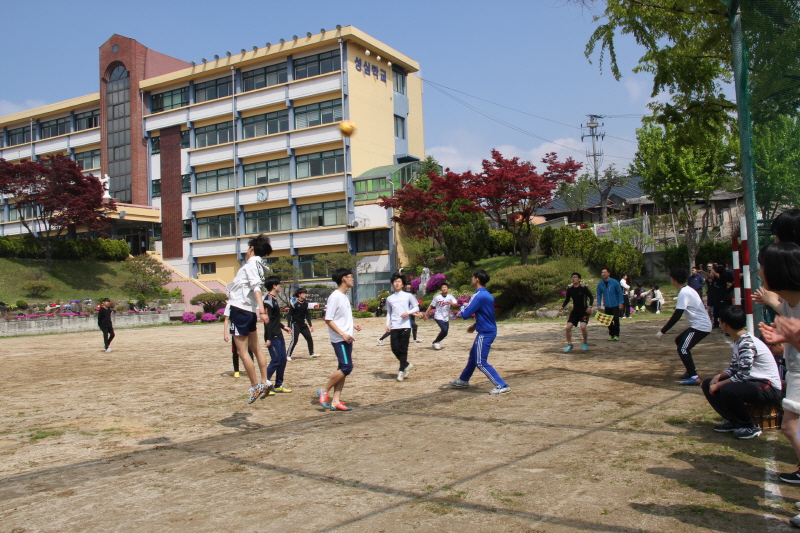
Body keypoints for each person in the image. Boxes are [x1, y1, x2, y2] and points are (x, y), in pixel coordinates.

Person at [701, 305, 782, 440]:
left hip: (769, 387)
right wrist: (718, 377)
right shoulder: (738, 341)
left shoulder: (747, 342)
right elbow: (734, 367)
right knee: (707, 383)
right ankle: (734, 421)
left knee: (727, 388)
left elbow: (743, 373)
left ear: (724, 324)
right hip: (754, 383)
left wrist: (720, 384)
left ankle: (749, 426)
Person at [756, 242, 800, 485]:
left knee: (792, 429)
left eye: (762, 266)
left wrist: (790, 337)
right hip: (795, 372)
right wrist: (785, 337)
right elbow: (783, 307)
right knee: (792, 429)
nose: (759, 272)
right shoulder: (790, 303)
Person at [226, 234, 273, 404]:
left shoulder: (250, 266)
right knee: (255, 347)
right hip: (248, 311)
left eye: (248, 248)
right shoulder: (260, 266)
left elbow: (256, 289)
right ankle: (264, 380)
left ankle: (255, 385)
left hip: (240, 310)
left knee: (242, 351)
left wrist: (262, 311)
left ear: (251, 248)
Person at [449, 269, 510, 395]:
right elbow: (487, 315)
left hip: (485, 333)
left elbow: (465, 314)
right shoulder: (487, 295)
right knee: (473, 357)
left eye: (473, 277)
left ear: (477, 279)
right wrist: (475, 325)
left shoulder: (478, 295)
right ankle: (463, 380)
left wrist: (462, 305)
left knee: (480, 362)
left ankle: (501, 385)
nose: (472, 279)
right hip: (488, 330)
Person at [654, 268, 713, 385]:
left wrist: (662, 331)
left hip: (701, 326)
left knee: (683, 348)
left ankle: (694, 376)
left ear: (673, 279)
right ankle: (691, 370)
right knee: (679, 341)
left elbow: (677, 315)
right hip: (699, 325)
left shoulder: (684, 293)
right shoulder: (687, 290)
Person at [318, 268, 362, 411]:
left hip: (348, 338)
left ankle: (335, 401)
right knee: (346, 367)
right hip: (340, 339)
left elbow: (341, 316)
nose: (352, 279)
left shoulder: (344, 296)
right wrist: (343, 334)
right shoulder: (335, 296)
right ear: (344, 278)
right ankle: (324, 391)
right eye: (350, 277)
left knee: (342, 369)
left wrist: (352, 325)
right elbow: (328, 319)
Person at [385, 273, 420, 381]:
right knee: (394, 348)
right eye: (395, 281)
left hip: (405, 325)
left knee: (403, 349)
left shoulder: (408, 295)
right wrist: (387, 324)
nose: (396, 283)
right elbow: (389, 312)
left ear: (403, 284)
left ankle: (401, 371)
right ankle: (406, 364)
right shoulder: (389, 298)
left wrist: (407, 312)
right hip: (395, 326)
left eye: (399, 281)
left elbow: (416, 307)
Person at [264, 276, 292, 393]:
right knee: (275, 360)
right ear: (274, 286)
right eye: (279, 284)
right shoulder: (267, 301)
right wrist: (268, 338)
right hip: (272, 336)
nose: (280, 286)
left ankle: (278, 385)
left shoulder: (274, 299)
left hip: (278, 334)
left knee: (282, 360)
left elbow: (274, 319)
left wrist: (283, 327)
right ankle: (264, 385)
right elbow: (267, 321)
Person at [559, 273, 594, 352]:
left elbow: (591, 297)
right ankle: (569, 344)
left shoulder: (583, 288)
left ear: (579, 279)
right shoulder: (570, 289)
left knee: (583, 327)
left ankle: (585, 343)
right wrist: (563, 306)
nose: (573, 279)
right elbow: (567, 299)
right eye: (572, 277)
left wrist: (590, 307)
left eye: (575, 277)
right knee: (568, 327)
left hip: (584, 312)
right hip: (575, 312)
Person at [222, 303, 254, 378]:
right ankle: (236, 371)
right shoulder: (229, 305)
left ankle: (250, 369)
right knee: (235, 351)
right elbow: (226, 319)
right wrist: (225, 333)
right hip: (235, 330)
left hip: (246, 329)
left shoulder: (245, 302)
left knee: (249, 350)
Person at [286, 288, 319, 360]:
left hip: (303, 325)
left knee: (309, 338)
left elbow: (307, 315)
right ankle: (288, 355)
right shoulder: (294, 304)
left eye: (305, 293)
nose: (305, 295)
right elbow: (289, 315)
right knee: (294, 340)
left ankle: (311, 353)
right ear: (299, 295)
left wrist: (311, 325)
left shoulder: (306, 304)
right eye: (304, 293)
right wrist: (288, 326)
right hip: (295, 324)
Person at [426, 282, 459, 350]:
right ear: (441, 289)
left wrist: (453, 303)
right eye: (443, 287)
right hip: (438, 316)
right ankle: (437, 342)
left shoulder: (450, 296)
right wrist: (425, 314)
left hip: (446, 316)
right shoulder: (437, 297)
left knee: (445, 332)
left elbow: (456, 304)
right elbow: (431, 305)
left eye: (445, 287)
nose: (444, 288)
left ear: (448, 289)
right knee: (444, 329)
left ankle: (435, 342)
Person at [596, 268, 624, 340]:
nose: (603, 274)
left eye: (605, 272)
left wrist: (621, 302)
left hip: (615, 304)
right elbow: (599, 294)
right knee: (608, 320)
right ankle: (611, 334)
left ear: (609, 273)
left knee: (616, 319)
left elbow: (619, 292)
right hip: (607, 305)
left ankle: (616, 335)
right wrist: (599, 304)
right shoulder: (600, 284)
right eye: (602, 272)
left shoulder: (614, 282)